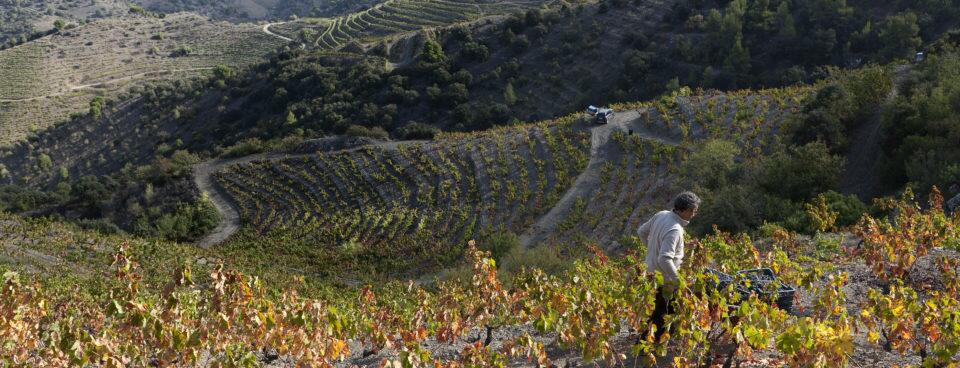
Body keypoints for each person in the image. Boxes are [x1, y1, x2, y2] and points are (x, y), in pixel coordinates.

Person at [636, 191, 700, 341]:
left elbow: (641, 232)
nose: (694, 214)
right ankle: (646, 345)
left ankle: (655, 342)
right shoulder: (675, 229)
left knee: (663, 311)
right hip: (666, 278)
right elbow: (665, 259)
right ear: (685, 210)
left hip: (653, 271)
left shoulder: (662, 214)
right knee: (663, 314)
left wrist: (652, 249)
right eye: (693, 211)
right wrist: (678, 280)